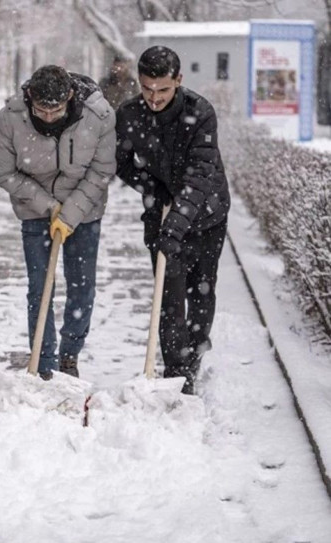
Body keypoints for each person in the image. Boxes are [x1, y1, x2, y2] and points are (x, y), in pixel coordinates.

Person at [0, 65, 116, 381]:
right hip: (35, 212)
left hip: (85, 213)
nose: (48, 118)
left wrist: (70, 212)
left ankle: (69, 354)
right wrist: (48, 205)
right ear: (30, 96)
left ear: (70, 97)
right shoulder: (10, 118)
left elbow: (101, 171)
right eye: (41, 110)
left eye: (56, 110)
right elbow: (0, 171)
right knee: (40, 287)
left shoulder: (98, 115)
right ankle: (43, 361)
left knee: (82, 287)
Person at [115, 46, 230, 394]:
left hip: (207, 215)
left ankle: (194, 356)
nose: (154, 97)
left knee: (200, 293)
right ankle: (176, 373)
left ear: (178, 81)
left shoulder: (200, 113)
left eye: (163, 90)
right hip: (161, 213)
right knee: (169, 296)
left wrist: (177, 223)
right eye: (147, 89)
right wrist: (153, 187)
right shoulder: (129, 114)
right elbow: (121, 163)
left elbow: (199, 176)